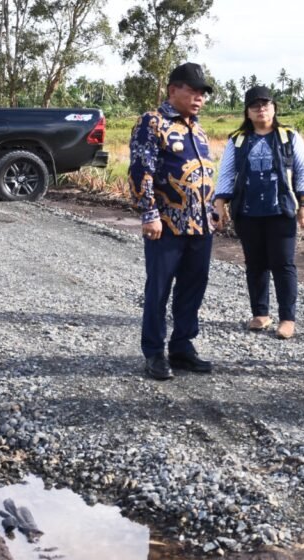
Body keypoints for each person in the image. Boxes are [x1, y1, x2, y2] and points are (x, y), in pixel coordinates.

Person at [128, 62, 218, 381]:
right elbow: (142, 169)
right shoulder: (153, 122)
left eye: (202, 93)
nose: (198, 98)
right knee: (159, 289)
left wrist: (215, 212)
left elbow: (205, 173)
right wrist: (149, 213)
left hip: (201, 226)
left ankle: (182, 347)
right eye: (192, 91)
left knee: (192, 289)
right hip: (166, 224)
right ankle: (154, 352)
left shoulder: (198, 128)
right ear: (173, 90)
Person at [213, 86, 304, 340]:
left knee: (283, 264)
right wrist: (219, 204)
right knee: (255, 264)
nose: (261, 109)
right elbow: (227, 173)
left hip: (280, 210)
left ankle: (287, 319)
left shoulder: (288, 137)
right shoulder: (237, 139)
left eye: (266, 104)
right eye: (255, 106)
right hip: (248, 212)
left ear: (274, 108)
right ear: (247, 112)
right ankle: (260, 313)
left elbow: (303, 170)